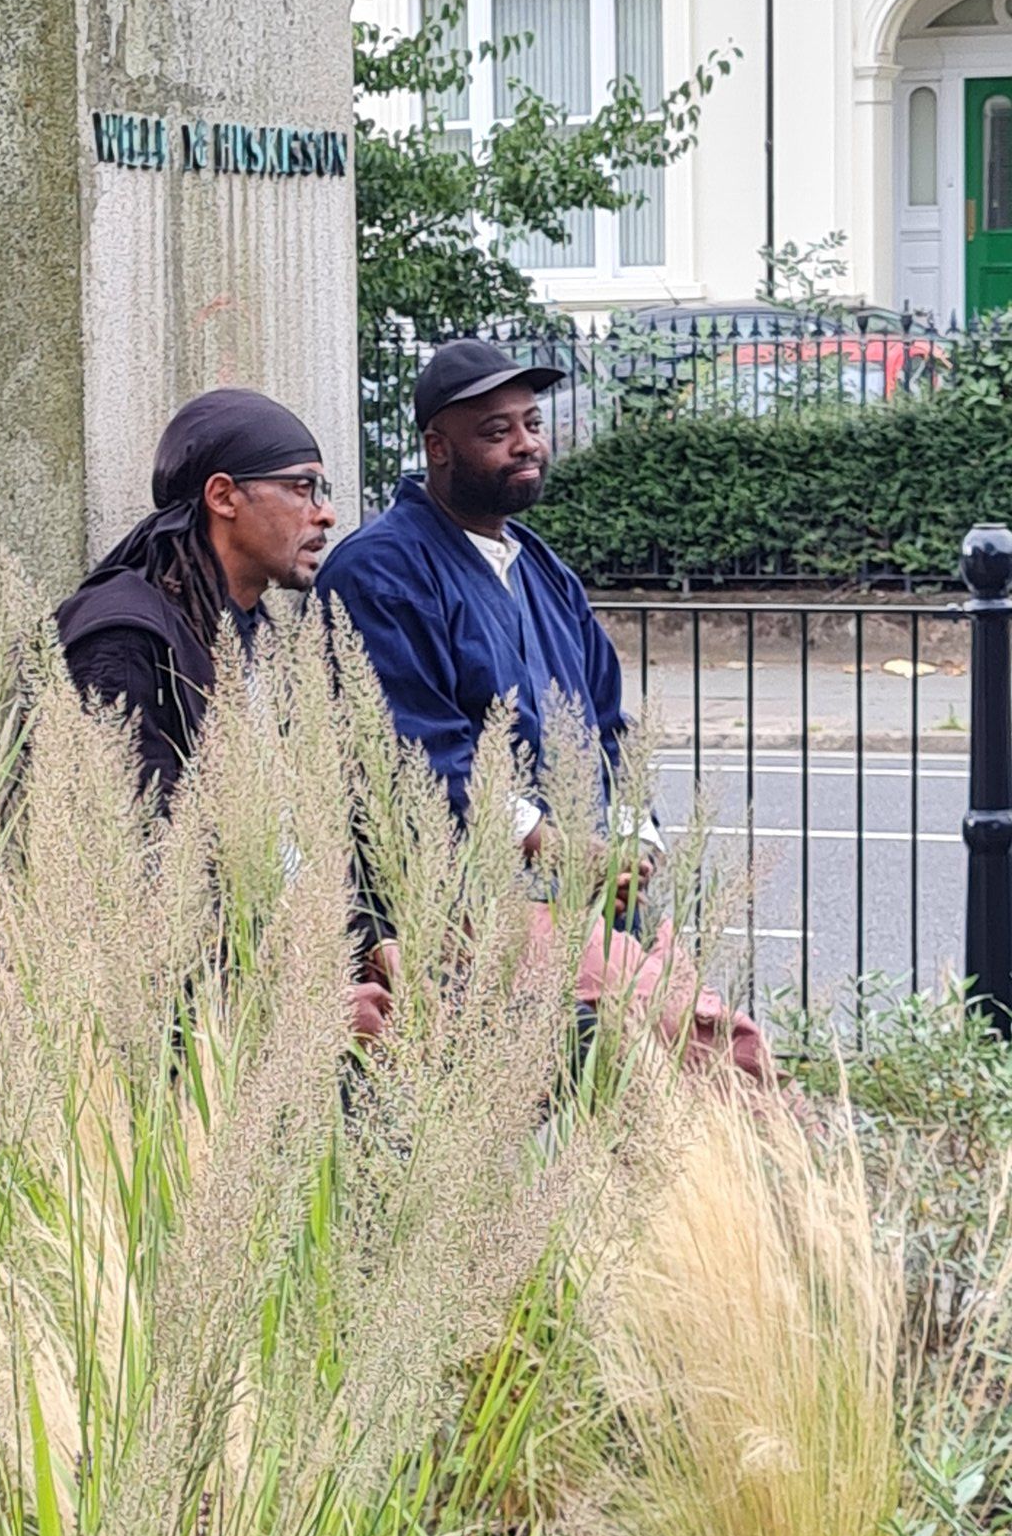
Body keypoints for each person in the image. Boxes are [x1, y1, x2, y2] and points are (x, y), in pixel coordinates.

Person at [317, 338, 782, 1093]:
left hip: (585, 897)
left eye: (531, 422)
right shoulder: (380, 570)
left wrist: (635, 843)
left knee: (688, 1061)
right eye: (496, 431)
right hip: (464, 908)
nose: (527, 443)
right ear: (438, 447)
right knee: (703, 1048)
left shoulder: (541, 568)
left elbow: (605, 727)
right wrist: (554, 844)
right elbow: (419, 757)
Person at [57, 387, 391, 1039]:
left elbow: (297, 832)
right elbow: (133, 871)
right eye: (302, 488)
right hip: (179, 1034)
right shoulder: (123, 636)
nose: (324, 516)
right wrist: (294, 999)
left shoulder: (255, 634)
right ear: (223, 497)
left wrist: (374, 940)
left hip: (273, 981)